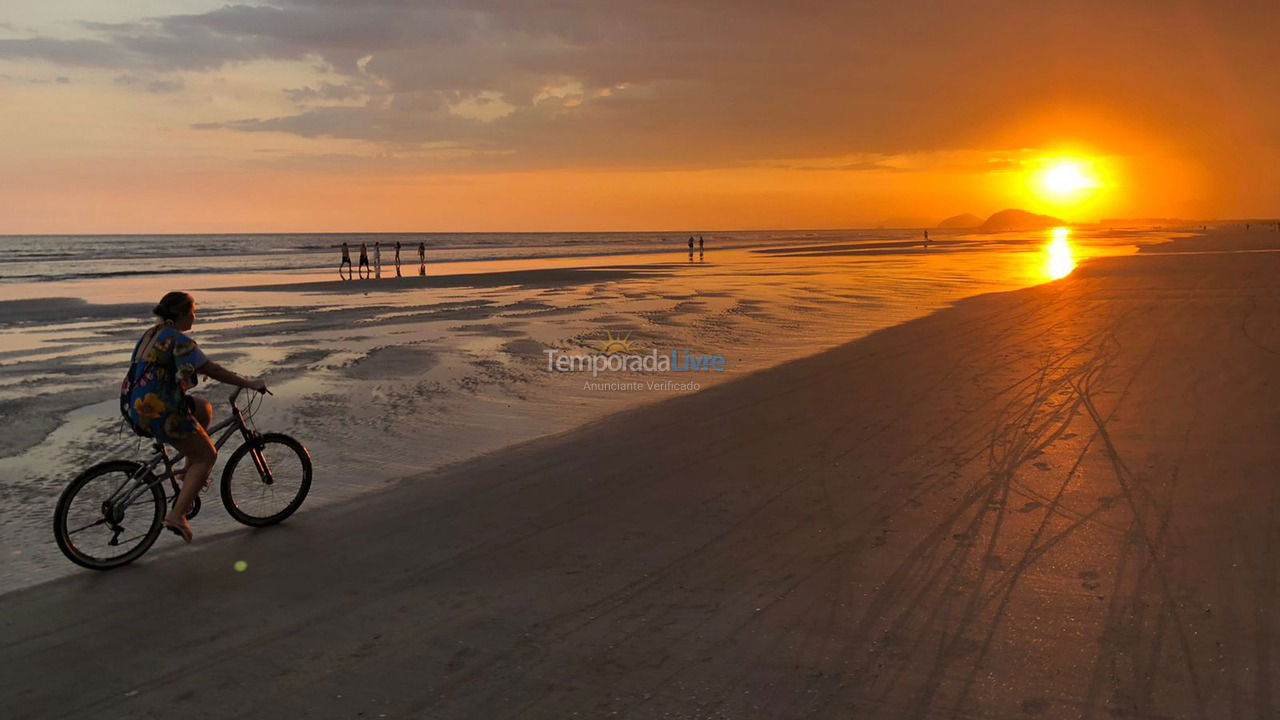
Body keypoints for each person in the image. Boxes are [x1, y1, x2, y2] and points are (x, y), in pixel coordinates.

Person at [121, 292, 267, 543]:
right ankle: (176, 515)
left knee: (203, 410)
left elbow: (166, 368)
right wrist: (249, 383)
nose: (194, 316)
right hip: (160, 410)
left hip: (134, 404)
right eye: (192, 312)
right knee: (207, 455)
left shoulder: (152, 333)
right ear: (180, 314)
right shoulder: (177, 339)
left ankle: (188, 473)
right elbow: (212, 369)